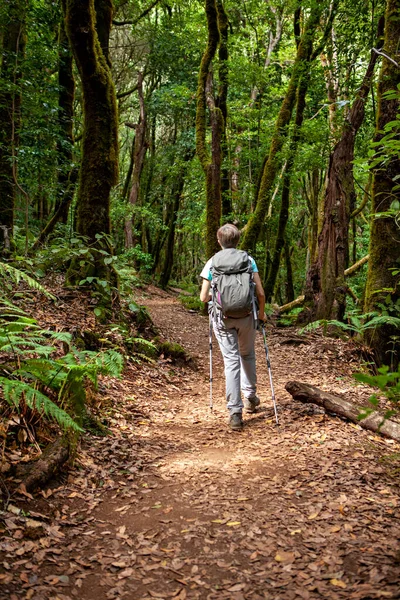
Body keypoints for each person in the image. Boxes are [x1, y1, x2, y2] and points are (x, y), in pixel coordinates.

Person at [200, 224, 266, 430]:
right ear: (238, 241)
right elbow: (261, 293)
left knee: (231, 362)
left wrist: (220, 297)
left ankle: (235, 413)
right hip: (247, 316)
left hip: (222, 318)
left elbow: (203, 297)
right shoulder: (249, 260)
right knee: (247, 355)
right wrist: (261, 314)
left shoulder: (212, 262)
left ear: (219, 241)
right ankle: (250, 398)